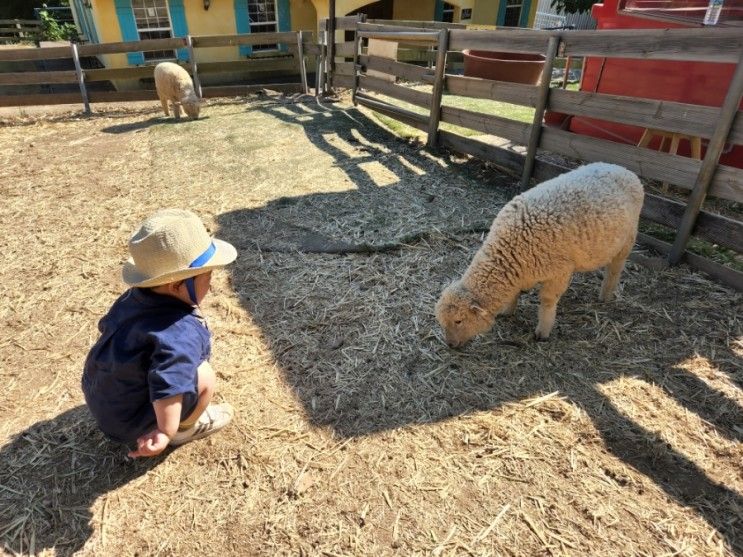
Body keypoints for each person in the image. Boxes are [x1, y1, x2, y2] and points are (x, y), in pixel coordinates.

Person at [82, 209, 237, 458]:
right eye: (207, 276)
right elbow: (170, 384)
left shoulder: (132, 299)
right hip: (131, 425)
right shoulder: (178, 331)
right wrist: (165, 431)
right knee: (205, 377)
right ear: (178, 284)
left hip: (100, 397)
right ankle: (185, 430)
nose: (212, 282)